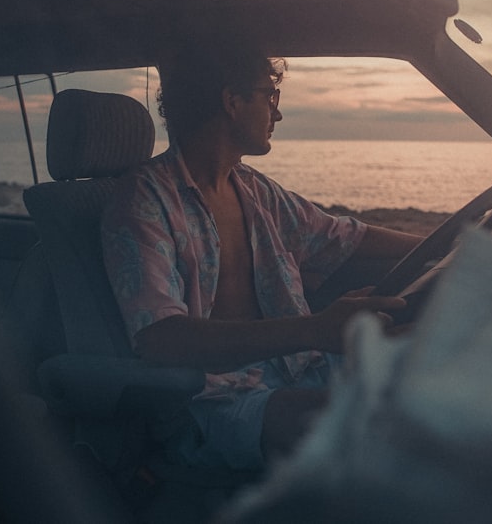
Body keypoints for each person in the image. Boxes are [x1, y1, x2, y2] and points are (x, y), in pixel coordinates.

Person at [101, 43, 422, 470]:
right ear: (232, 101)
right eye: (271, 97)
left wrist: (458, 242)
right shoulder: (143, 200)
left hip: (297, 368)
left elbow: (345, 236)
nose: (278, 113)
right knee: (394, 426)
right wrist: (314, 330)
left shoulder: (253, 188)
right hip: (213, 401)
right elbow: (162, 339)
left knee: (435, 364)